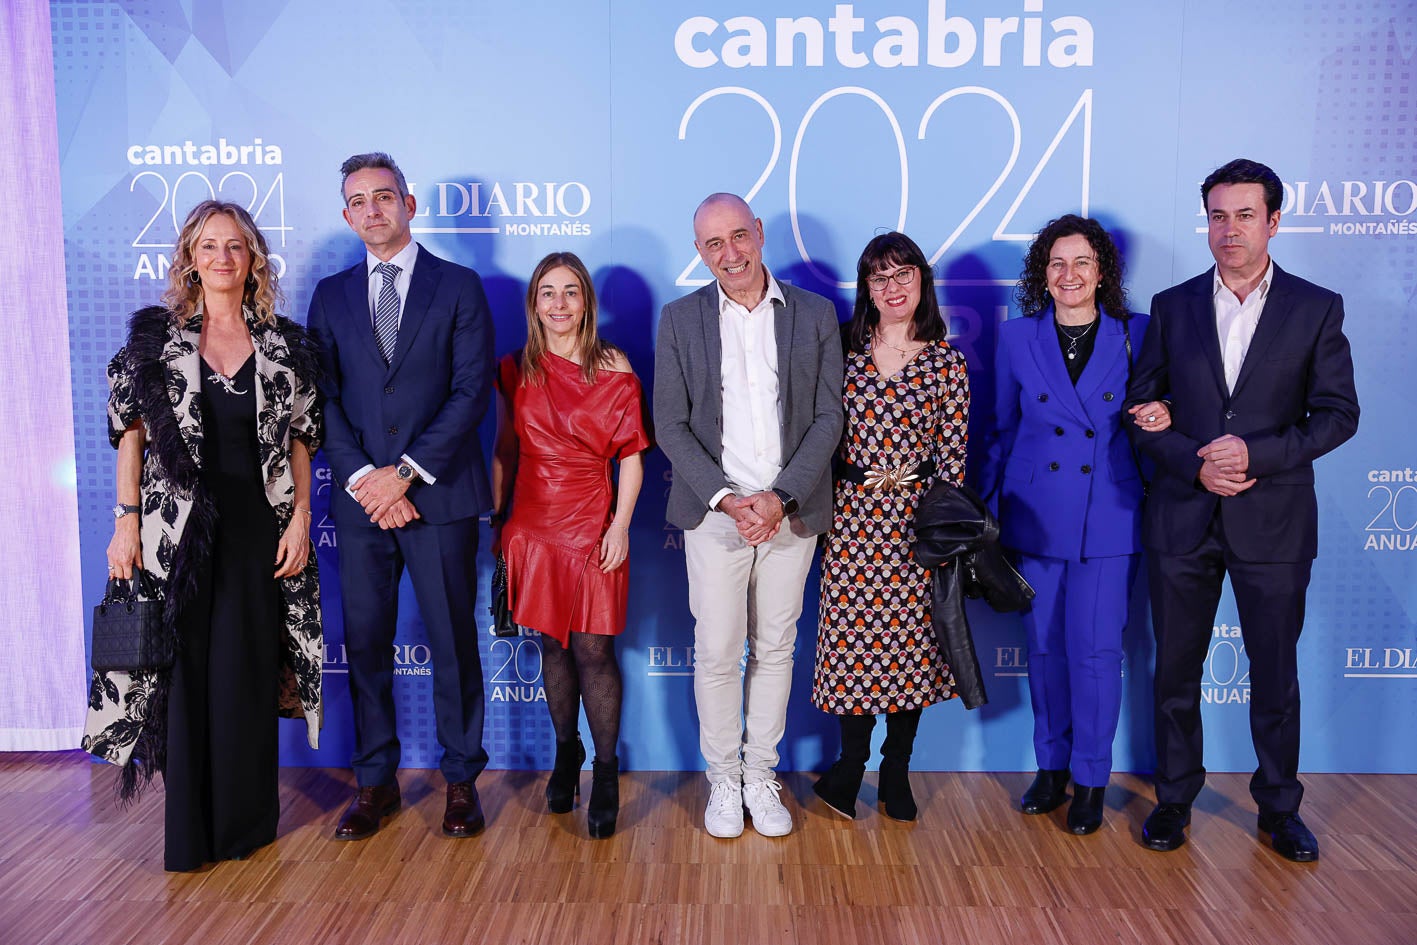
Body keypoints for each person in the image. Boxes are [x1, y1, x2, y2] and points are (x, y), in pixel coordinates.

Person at [1126, 159, 1359, 861]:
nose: (1228, 230)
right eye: (1217, 216)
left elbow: (1337, 414)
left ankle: (1279, 807)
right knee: (1174, 669)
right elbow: (1141, 413)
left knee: (1274, 673)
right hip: (1181, 516)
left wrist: (1251, 455)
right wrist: (1193, 457)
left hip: (1274, 521)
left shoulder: (1316, 307)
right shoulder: (1170, 306)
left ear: (1274, 221)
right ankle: (1173, 799)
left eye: (1244, 215)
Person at [85, 200, 323, 872]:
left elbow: (303, 439)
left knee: (245, 673)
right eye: (209, 246)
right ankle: (190, 834)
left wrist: (302, 515)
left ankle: (246, 825)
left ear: (253, 262)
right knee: (185, 677)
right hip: (174, 537)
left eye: (236, 247)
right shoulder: (154, 346)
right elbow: (129, 437)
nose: (222, 258)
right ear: (190, 258)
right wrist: (125, 522)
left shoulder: (286, 348)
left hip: (258, 531)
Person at [308, 152, 495, 841]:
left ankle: (460, 782)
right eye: (358, 200)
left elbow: (471, 391)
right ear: (347, 214)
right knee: (364, 645)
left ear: (409, 205)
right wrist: (367, 480)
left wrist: (406, 474)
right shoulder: (329, 296)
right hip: (361, 506)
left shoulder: (459, 286)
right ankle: (374, 782)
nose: (373, 210)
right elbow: (322, 399)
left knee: (451, 641)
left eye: (384, 196)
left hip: (437, 497)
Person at [654, 193, 844, 839]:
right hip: (715, 515)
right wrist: (729, 499)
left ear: (759, 234)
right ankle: (723, 778)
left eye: (738, 236)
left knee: (776, 648)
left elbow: (827, 416)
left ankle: (761, 775)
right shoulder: (678, 319)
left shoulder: (815, 314)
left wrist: (780, 496)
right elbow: (670, 425)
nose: (729, 253)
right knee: (715, 651)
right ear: (699, 251)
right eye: (713, 243)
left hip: (790, 515)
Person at [980, 215, 1171, 835]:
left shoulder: (1136, 335)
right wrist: (984, 512)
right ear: (1042, 273)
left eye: (1082, 263)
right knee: (1044, 651)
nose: (1069, 276)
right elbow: (1001, 431)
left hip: (1109, 517)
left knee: (1095, 653)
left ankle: (1091, 778)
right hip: (1033, 518)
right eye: (1056, 264)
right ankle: (1051, 766)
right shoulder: (1015, 339)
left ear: (1102, 272)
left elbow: (1160, 412)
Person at [491, 252, 650, 839]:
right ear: (534, 303)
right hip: (531, 524)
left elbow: (631, 456)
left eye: (571, 292)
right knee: (551, 649)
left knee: (593, 652)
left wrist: (620, 525)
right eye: (547, 293)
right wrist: (498, 520)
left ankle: (605, 772)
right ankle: (566, 754)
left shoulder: (614, 365)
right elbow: (505, 449)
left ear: (587, 302)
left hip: (593, 522)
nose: (559, 304)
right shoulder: (516, 368)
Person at [810, 232, 969, 823]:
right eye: (880, 277)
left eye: (904, 274)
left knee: (909, 652)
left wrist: (943, 534)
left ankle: (896, 770)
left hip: (916, 525)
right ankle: (850, 769)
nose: (893, 287)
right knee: (852, 651)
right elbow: (820, 441)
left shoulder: (947, 362)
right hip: (852, 521)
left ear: (922, 282)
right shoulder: (843, 355)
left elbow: (953, 457)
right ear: (866, 289)